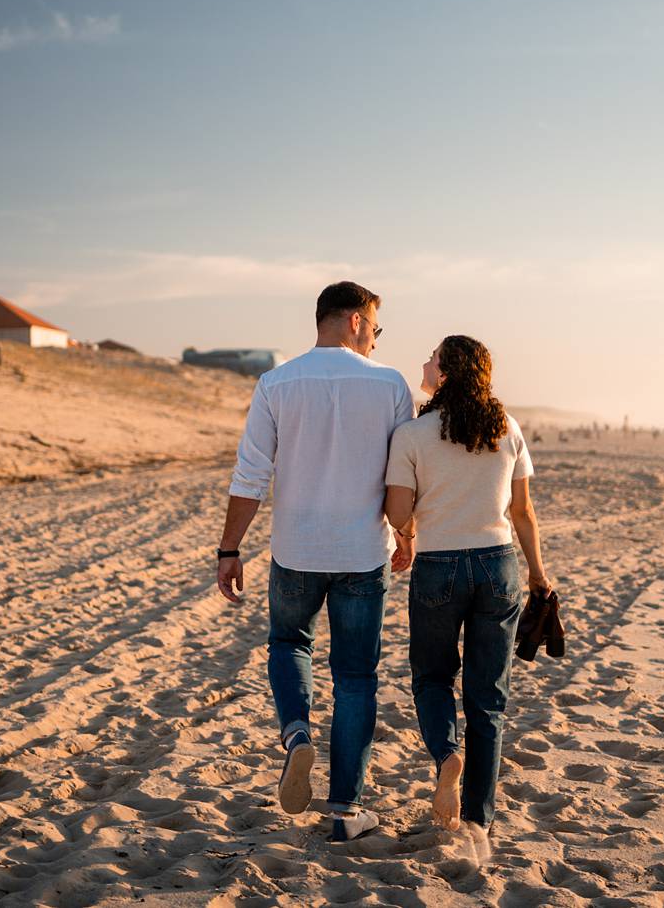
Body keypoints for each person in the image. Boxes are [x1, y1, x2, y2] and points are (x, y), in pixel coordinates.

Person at [214, 281, 415, 842]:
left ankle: (297, 736)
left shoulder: (277, 382)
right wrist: (407, 532)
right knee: (355, 676)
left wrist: (230, 549)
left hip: (296, 551)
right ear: (354, 320)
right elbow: (403, 475)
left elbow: (250, 475)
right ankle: (346, 811)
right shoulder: (391, 384)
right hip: (361, 553)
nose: (376, 339)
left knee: (288, 644)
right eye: (375, 327)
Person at [383, 335, 550, 861]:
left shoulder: (412, 433)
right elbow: (522, 513)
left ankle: (447, 756)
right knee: (488, 698)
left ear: (449, 371)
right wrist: (541, 576)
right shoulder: (508, 429)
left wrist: (407, 537)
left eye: (433, 357)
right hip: (500, 565)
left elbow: (397, 513)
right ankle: (478, 818)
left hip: (439, 566)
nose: (424, 362)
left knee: (433, 678)